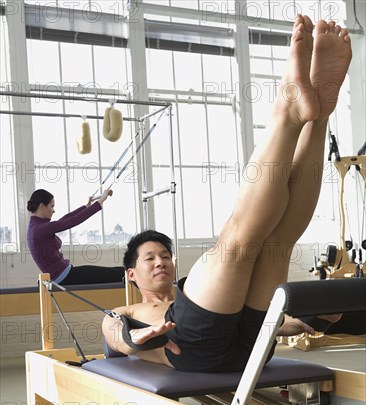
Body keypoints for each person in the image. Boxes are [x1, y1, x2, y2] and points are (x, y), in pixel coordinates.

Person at [102, 16, 351, 373]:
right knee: (235, 241)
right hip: (190, 345)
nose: (161, 262)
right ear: (130, 275)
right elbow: (113, 332)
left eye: (165, 256)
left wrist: (311, 319)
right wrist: (135, 338)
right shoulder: (126, 312)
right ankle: (287, 110)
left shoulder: (196, 294)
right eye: (149, 258)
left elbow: (282, 326)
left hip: (252, 345)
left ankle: (319, 116)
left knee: (278, 241)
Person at [27, 188, 125, 285]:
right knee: (117, 273)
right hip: (64, 277)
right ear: (42, 206)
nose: (53, 210)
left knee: (117, 272)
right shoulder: (39, 229)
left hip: (63, 274)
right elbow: (73, 220)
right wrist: (102, 200)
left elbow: (65, 219)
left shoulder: (36, 227)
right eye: (52, 206)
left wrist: (86, 207)